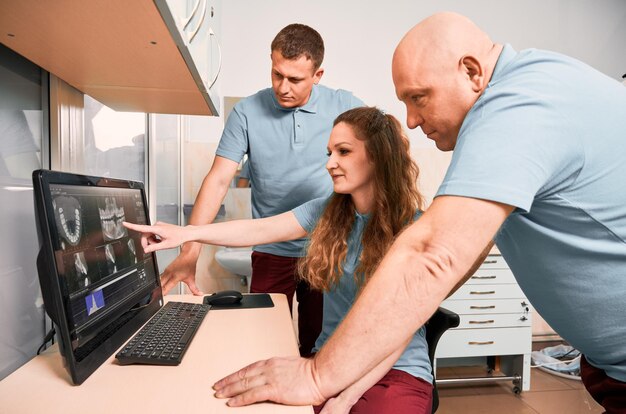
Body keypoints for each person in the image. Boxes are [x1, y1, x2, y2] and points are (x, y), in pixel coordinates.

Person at [211, 12, 626, 413]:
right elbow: (458, 262)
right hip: (609, 371)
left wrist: (319, 376)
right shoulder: (517, 98)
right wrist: (352, 376)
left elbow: (432, 255)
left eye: (418, 97)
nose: (409, 121)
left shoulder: (519, 103)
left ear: (472, 72)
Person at [126, 107, 434, 413]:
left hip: (395, 371)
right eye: (329, 152)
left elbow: (399, 331)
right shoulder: (328, 212)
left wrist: (345, 399)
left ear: (378, 156)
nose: (330, 164)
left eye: (343, 152)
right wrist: (186, 234)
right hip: (329, 364)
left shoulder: (413, 228)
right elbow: (259, 228)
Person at [160, 23, 364, 356]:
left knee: (319, 345)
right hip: (271, 248)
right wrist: (189, 250)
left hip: (326, 248)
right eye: (276, 74)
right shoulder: (246, 112)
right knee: (263, 343)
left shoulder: (345, 105)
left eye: (295, 79)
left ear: (318, 74)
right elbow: (219, 180)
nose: (283, 87)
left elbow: (382, 154)